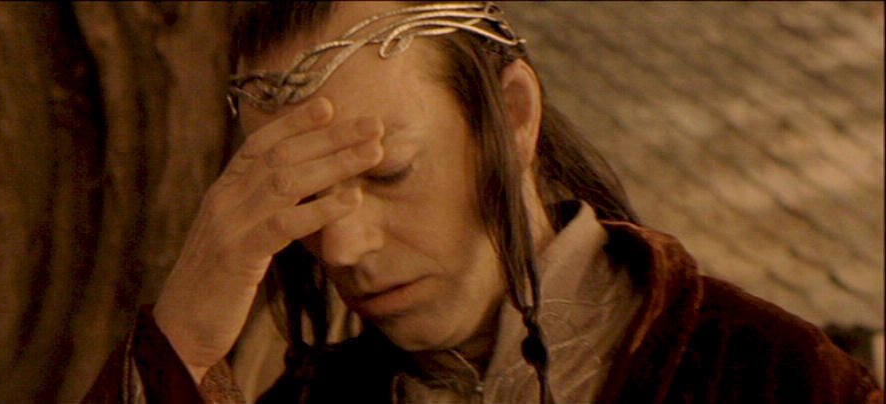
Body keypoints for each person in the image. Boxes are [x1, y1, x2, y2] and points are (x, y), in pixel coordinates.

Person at [83, 2, 883, 403]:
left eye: (392, 172)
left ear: (513, 117)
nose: (344, 249)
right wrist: (180, 346)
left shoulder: (770, 378)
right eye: (307, 197)